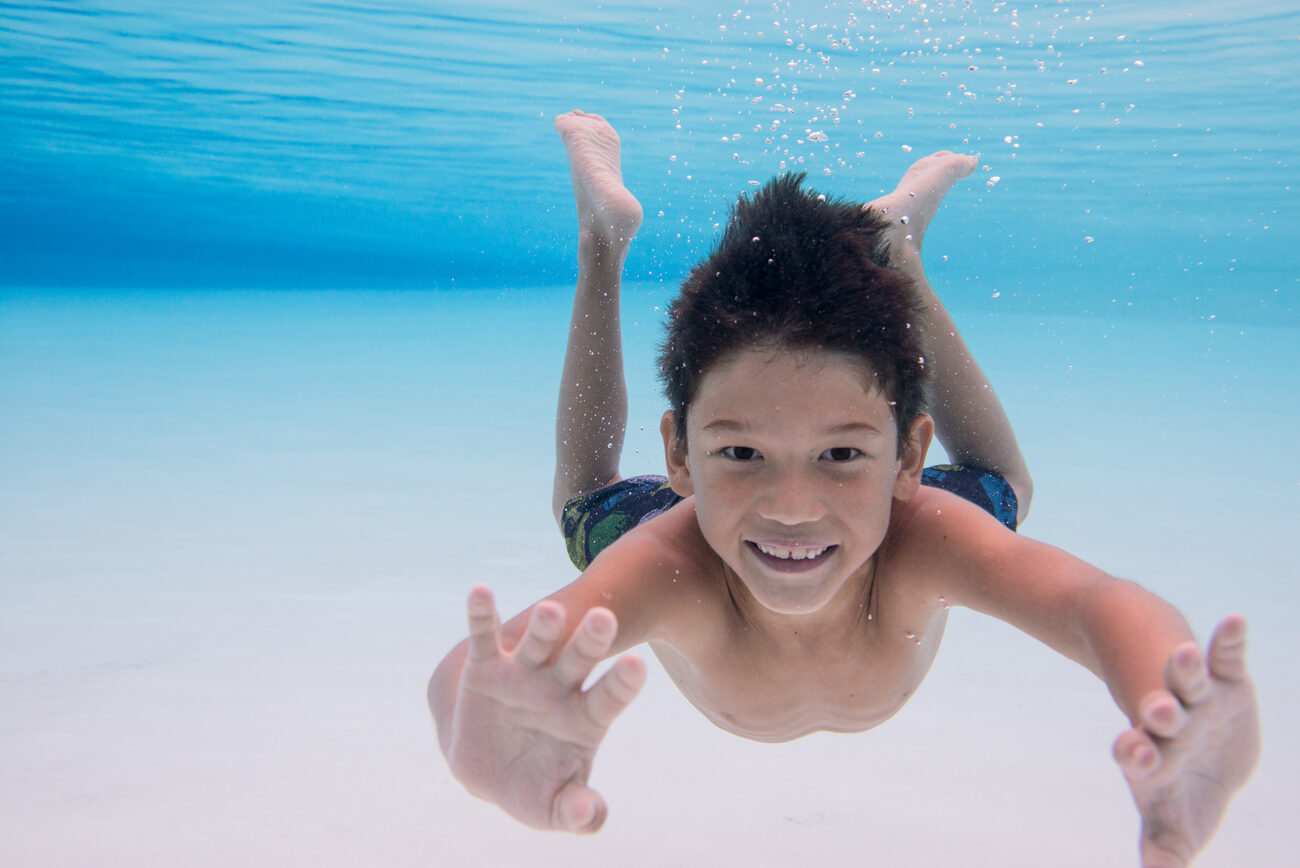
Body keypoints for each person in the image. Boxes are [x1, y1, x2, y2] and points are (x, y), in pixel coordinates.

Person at [428, 110, 1259, 866]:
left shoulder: (924, 538)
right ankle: (601, 243)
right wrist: (471, 712)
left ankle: (897, 252)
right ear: (678, 456)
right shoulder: (668, 566)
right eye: (742, 451)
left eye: (841, 455)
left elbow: (1091, 603)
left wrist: (1167, 695)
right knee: (584, 504)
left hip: (861, 516)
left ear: (908, 457)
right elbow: (491, 670)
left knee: (1004, 493)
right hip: (703, 528)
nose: (792, 504)